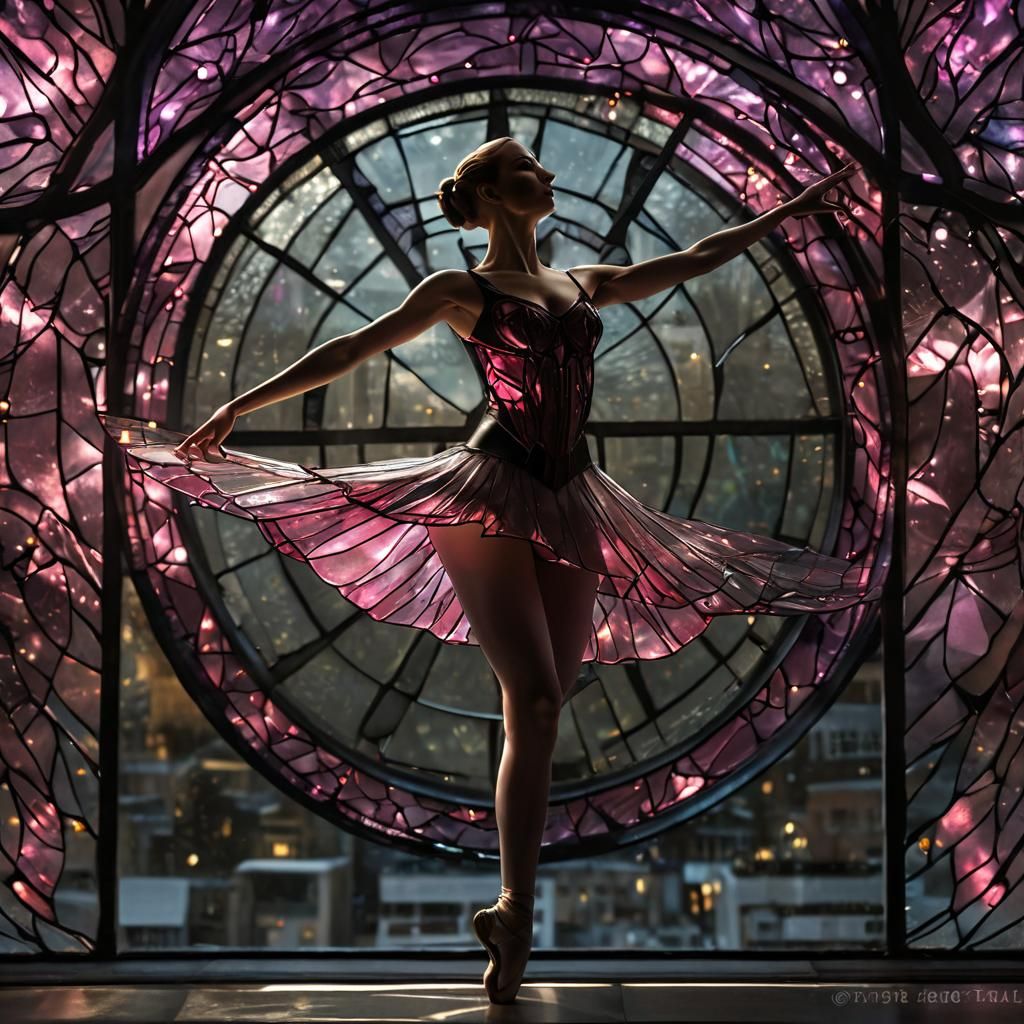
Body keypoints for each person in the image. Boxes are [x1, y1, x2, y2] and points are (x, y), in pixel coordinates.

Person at [100, 137, 873, 1004]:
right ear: (497, 196)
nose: (546, 178)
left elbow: (697, 257)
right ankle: (515, 904)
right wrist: (241, 406)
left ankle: (511, 921)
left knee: (539, 712)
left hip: (575, 493)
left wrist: (790, 212)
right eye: (528, 172)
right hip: (489, 491)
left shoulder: (582, 281)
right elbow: (352, 348)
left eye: (543, 168)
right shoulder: (460, 291)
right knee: (536, 696)